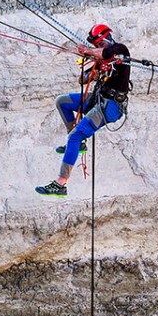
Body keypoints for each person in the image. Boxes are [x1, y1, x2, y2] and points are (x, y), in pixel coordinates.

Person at [36, 23, 131, 197]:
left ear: (108, 39)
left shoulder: (120, 50)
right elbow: (82, 80)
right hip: (98, 98)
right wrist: (92, 74)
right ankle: (77, 142)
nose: (98, 48)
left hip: (110, 106)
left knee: (74, 136)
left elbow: (106, 53)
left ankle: (61, 183)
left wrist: (88, 51)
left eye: (100, 44)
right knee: (62, 102)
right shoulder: (101, 59)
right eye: (96, 45)